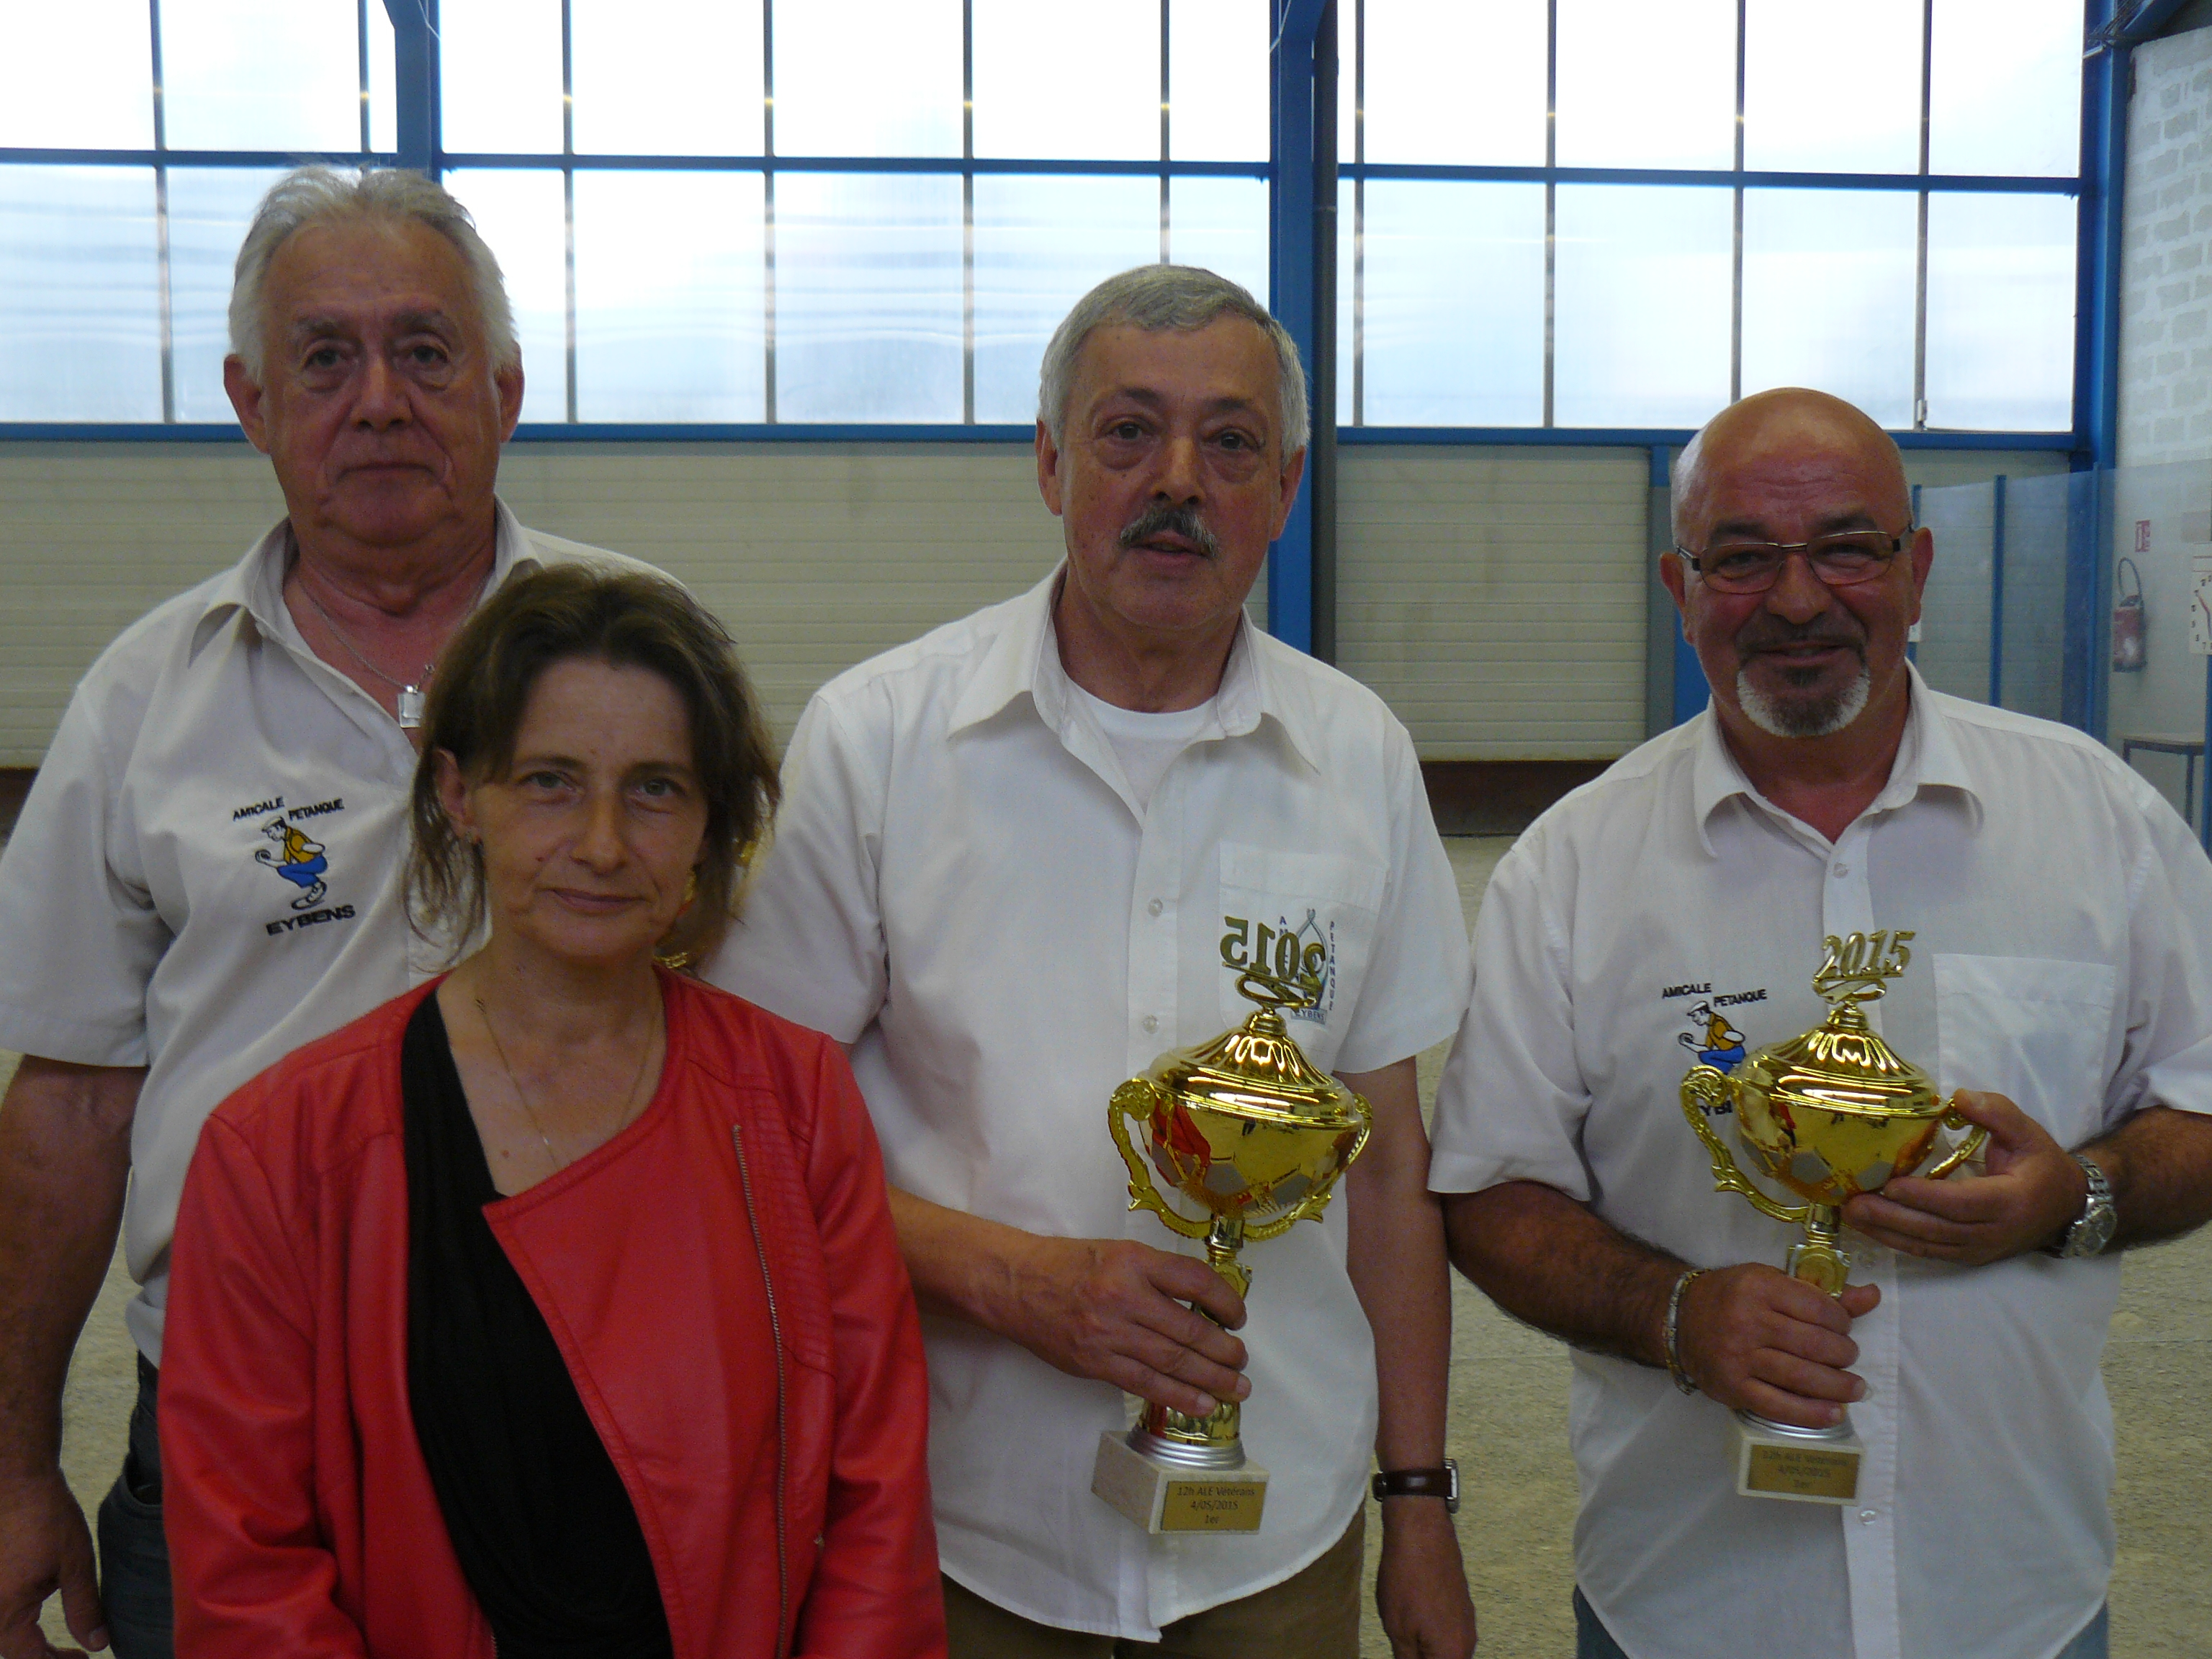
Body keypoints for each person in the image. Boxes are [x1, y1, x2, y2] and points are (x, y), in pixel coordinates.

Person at [710, 265, 1478, 1659]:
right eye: (1128, 432)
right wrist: (1016, 1282)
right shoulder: (880, 741)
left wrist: (1418, 1497)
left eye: (1231, 444)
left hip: (1278, 1531)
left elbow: (1386, 1169)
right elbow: (755, 1137)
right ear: (1052, 461)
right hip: (966, 1529)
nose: (1177, 479)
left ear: (1287, 486)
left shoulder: (1360, 756)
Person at [1430, 387, 2212, 1659]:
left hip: (2014, 1597)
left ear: (1916, 571)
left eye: (1847, 547)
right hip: (1685, 1603)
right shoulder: (1573, 867)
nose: (1797, 600)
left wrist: (2079, 1196)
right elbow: (1488, 1191)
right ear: (1681, 588)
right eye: (1742, 557)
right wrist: (1676, 1315)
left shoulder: (2097, 825)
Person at [0, 166, 654, 1659]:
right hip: (239, 1426)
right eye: (325, 356)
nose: (378, 400)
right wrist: (15, 1463)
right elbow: (69, 1112)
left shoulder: (640, 656)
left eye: (425, 353)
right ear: (249, 398)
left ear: (505, 388)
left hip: (590, 1401)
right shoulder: (142, 703)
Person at [156, 565, 944, 1658]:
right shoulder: (282, 1148)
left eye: (657, 789)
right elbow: (248, 1576)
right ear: (458, 795)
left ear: (713, 823)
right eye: (551, 783)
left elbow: (875, 1516)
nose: (606, 843)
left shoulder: (797, 1107)